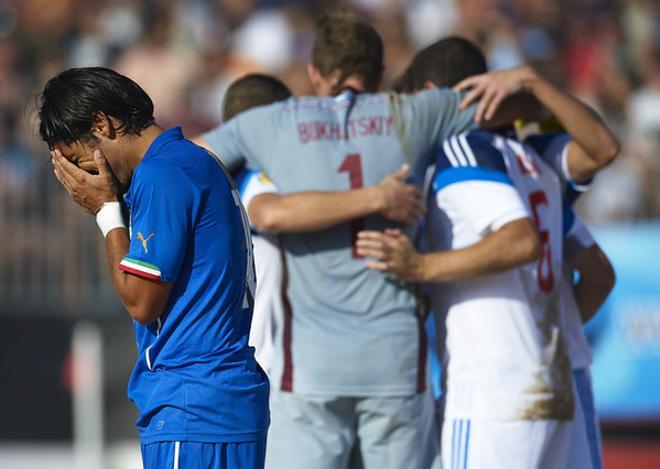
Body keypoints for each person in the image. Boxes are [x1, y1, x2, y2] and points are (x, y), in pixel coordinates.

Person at [196, 9, 539, 469]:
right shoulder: (417, 113)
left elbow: (187, 158)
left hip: (310, 365)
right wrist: (527, 80)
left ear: (315, 73)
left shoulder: (272, 122)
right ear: (380, 75)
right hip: (395, 357)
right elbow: (516, 107)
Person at [357, 37, 619, 468]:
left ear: (427, 94)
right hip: (565, 377)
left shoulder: (459, 152)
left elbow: (518, 240)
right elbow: (599, 274)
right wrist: (534, 89)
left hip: (494, 385)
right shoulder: (533, 158)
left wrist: (420, 266)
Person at [38, 67, 269, 469]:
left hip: (191, 406)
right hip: (221, 400)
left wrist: (106, 213)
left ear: (102, 124)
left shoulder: (161, 175)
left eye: (81, 161)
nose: (89, 177)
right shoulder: (196, 162)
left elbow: (141, 301)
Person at [209, 73, 423, 376]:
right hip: (271, 370)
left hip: (258, 366)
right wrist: (376, 198)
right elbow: (270, 213)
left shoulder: (221, 183)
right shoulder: (256, 177)